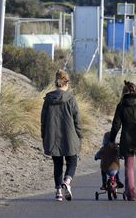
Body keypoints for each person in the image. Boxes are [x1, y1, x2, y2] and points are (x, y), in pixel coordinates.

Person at [41, 69, 82, 202]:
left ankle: (59, 192)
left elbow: (43, 119)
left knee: (57, 164)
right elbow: (77, 119)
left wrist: (44, 136)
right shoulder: (71, 98)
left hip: (52, 135)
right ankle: (67, 181)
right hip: (70, 135)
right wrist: (79, 136)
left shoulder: (48, 98)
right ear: (66, 83)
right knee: (73, 160)